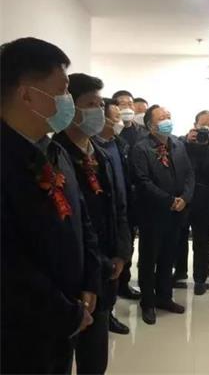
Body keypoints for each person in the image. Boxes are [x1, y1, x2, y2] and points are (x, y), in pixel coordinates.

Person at [0, 38, 100, 375]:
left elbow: (81, 218)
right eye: (62, 91)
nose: (66, 101)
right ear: (27, 95)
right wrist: (66, 312)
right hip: (20, 330)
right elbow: (9, 265)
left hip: (67, 315)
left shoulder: (54, 150)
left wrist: (90, 281)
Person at [55, 74, 132, 374]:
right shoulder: (55, 154)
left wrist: (122, 253)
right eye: (90, 104)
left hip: (106, 271)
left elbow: (119, 207)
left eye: (100, 105)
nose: (99, 112)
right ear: (69, 108)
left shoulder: (102, 154)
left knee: (95, 358)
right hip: (74, 274)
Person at [130, 105, 194, 325]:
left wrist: (185, 198)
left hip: (177, 213)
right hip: (153, 214)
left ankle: (164, 297)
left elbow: (189, 174)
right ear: (151, 125)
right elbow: (142, 181)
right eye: (162, 117)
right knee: (149, 259)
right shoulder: (141, 148)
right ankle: (148, 302)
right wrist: (168, 201)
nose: (167, 120)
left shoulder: (177, 144)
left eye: (169, 116)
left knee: (168, 257)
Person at [94, 98, 135, 334]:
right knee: (105, 269)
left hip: (122, 212)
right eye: (116, 116)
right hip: (103, 218)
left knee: (118, 263)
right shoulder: (92, 148)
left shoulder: (118, 144)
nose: (120, 120)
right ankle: (102, 315)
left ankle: (108, 313)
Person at [174, 110, 209, 295]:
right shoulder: (182, 142)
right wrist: (188, 142)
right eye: (203, 125)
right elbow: (177, 158)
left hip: (205, 199)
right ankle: (180, 270)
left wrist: (206, 147)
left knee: (202, 240)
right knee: (180, 236)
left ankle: (200, 278)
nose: (206, 129)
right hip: (184, 196)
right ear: (195, 125)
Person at [113, 89, 144, 300]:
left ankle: (124, 283)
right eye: (122, 104)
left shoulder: (141, 132)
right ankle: (112, 286)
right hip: (118, 194)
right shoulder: (112, 132)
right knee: (115, 243)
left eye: (130, 104)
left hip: (137, 196)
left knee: (129, 242)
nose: (127, 108)